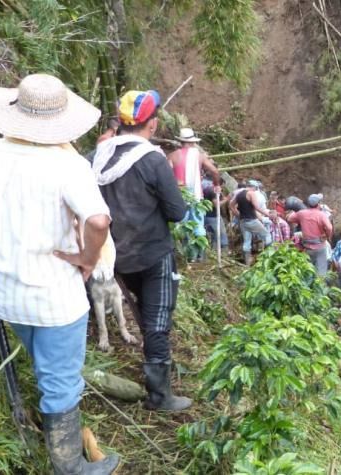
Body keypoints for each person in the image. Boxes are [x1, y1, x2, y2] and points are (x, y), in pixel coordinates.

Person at [0, 74, 119, 473]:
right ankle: (70, 466)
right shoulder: (68, 164)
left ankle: (56, 428)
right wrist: (87, 258)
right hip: (55, 299)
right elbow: (98, 221)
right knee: (61, 380)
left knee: (46, 364)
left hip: (4, 295)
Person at [93, 89, 192, 412]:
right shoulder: (152, 160)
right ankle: (160, 396)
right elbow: (177, 212)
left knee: (145, 315)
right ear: (152, 124)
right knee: (158, 318)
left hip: (114, 257)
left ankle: (155, 369)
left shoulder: (95, 157)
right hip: (153, 254)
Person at [167, 128, 221, 261]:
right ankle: (200, 255)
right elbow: (214, 171)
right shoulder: (200, 156)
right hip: (196, 196)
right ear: (192, 142)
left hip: (179, 195)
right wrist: (217, 185)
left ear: (180, 141)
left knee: (182, 225)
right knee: (198, 224)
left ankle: (187, 256)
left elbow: (167, 177)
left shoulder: (172, 156)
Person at [288, 194, 334, 275]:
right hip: (319, 246)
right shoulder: (321, 214)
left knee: (309, 271)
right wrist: (327, 236)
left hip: (307, 247)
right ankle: (320, 284)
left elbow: (289, 218)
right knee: (321, 272)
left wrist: (300, 220)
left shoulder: (301, 213)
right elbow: (329, 228)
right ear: (318, 204)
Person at [233, 181, 272, 264]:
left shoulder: (239, 194)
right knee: (267, 236)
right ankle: (269, 258)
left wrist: (238, 215)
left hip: (243, 221)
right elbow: (257, 207)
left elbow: (231, 205)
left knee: (247, 242)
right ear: (254, 187)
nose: (255, 190)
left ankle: (247, 263)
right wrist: (268, 214)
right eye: (256, 188)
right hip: (252, 220)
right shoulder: (251, 193)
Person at [203, 180, 228, 251]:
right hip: (213, 216)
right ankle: (223, 249)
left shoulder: (206, 189)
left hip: (206, 215)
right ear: (221, 184)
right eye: (222, 186)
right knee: (221, 232)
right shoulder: (213, 191)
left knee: (213, 234)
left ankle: (213, 250)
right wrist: (227, 199)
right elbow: (217, 204)